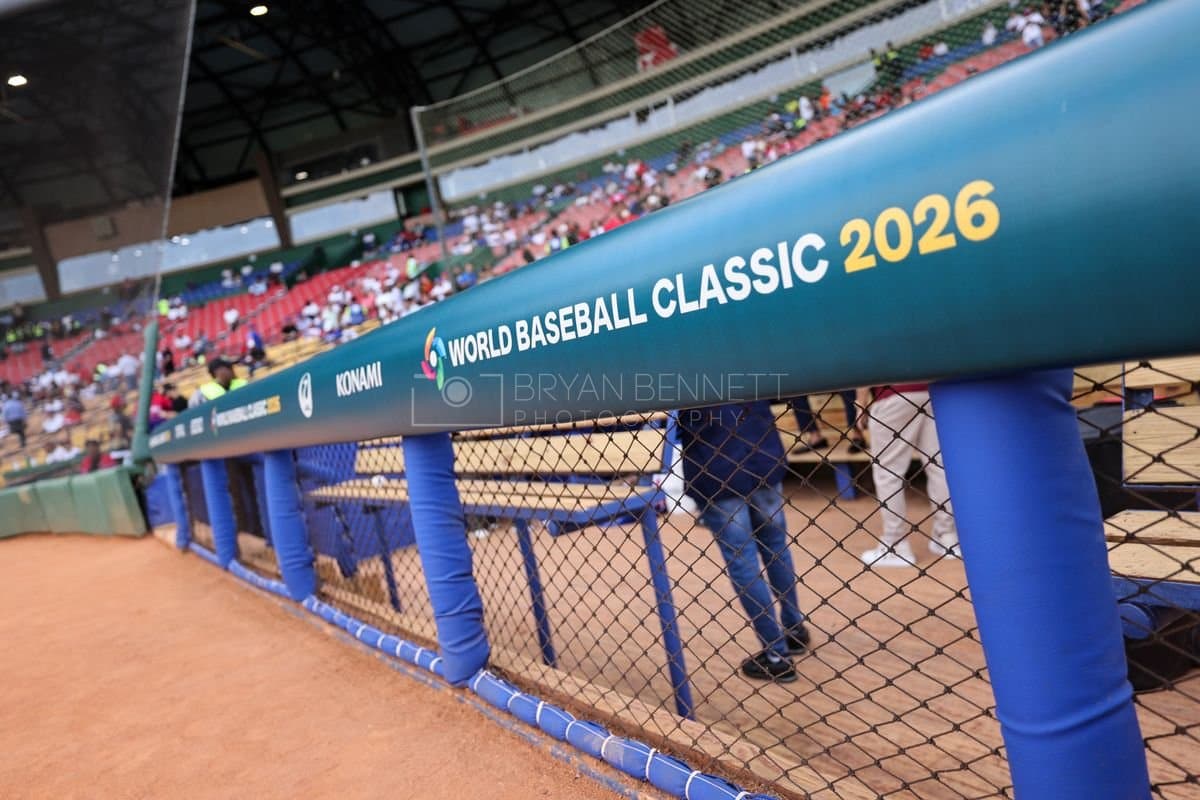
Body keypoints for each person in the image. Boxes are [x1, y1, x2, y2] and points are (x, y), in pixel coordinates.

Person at [678, 401, 811, 682]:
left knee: (742, 559)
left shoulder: (673, 361)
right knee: (775, 544)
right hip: (761, 449)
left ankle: (776, 655)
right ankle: (794, 629)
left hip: (714, 460)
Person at [855, 383, 959, 567]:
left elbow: (863, 360)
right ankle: (947, 537)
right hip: (931, 393)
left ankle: (895, 545)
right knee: (938, 467)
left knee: (888, 473)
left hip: (892, 394)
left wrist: (861, 403)